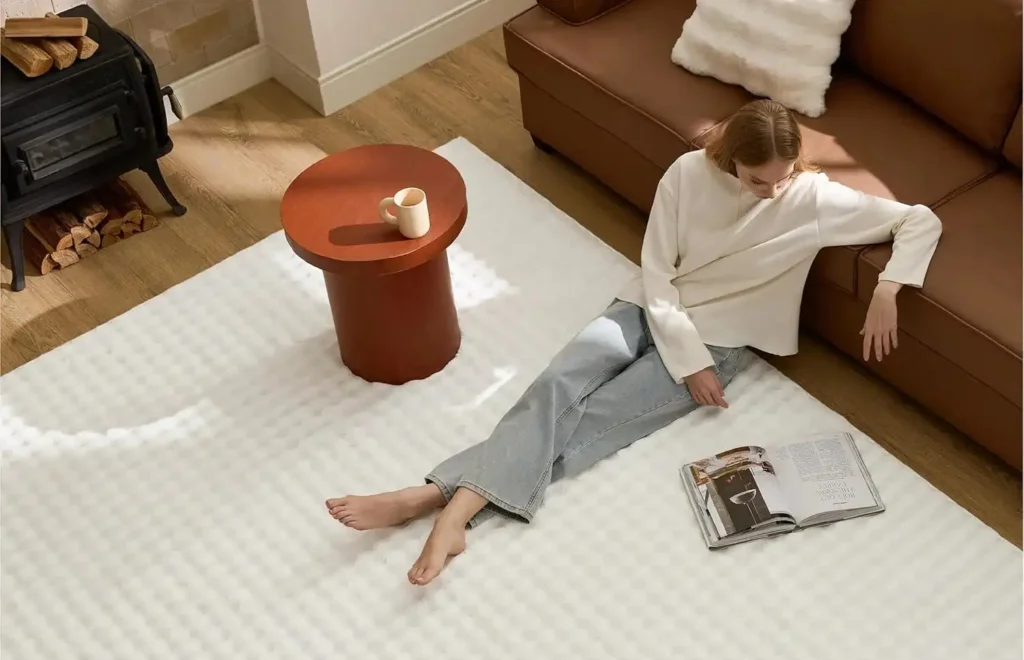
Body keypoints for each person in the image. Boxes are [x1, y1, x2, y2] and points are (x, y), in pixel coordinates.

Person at [326, 99, 942, 586]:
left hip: (724, 340)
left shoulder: (810, 197)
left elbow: (920, 218)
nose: (770, 192)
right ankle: (446, 505)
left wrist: (889, 287)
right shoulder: (686, 175)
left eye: (780, 180)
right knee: (558, 383)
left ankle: (438, 502)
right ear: (730, 158)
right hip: (648, 306)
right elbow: (657, 269)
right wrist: (685, 354)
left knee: (594, 423)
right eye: (758, 180)